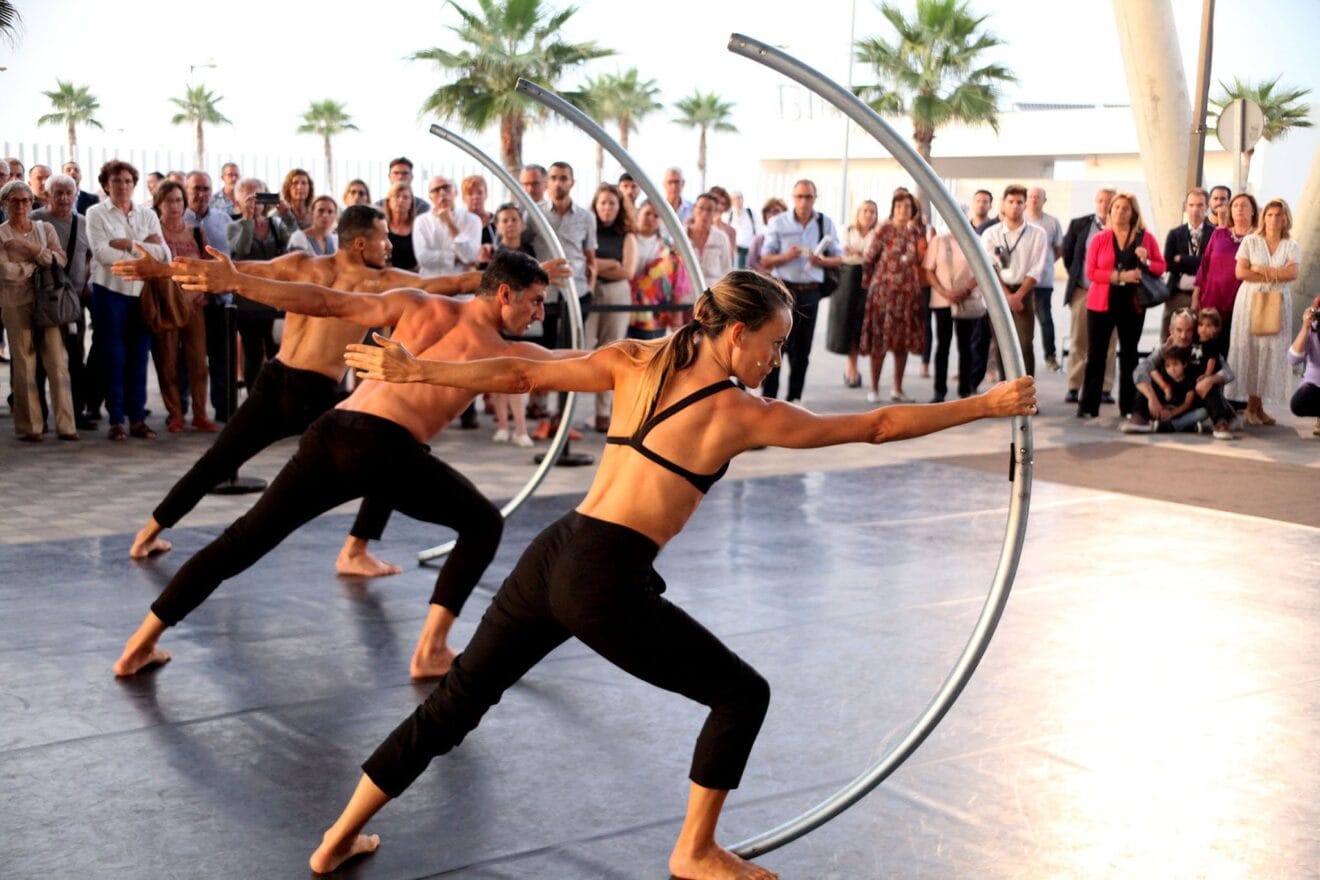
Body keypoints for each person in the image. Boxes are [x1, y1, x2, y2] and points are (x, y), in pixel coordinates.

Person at [317, 270, 1038, 877]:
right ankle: (694, 850)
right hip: (604, 576)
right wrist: (985, 404)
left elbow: (521, 370)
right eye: (773, 343)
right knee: (741, 695)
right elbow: (875, 426)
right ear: (735, 334)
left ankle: (335, 838)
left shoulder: (635, 360)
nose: (774, 358)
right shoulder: (738, 413)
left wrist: (422, 369)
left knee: (457, 702)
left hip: (556, 551)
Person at [111, 251, 569, 686]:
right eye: (535, 301)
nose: (539, 314)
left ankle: (138, 644)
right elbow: (576, 365)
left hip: (333, 430)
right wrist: (636, 357)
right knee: (483, 523)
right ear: (505, 294)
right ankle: (431, 649)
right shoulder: (497, 350)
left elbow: (328, 302)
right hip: (383, 448)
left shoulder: (417, 303)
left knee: (240, 542)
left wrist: (238, 282)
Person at [113, 205, 559, 572]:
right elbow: (230, 272)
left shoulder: (304, 266)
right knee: (232, 460)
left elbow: (230, 272)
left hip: (304, 390)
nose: (390, 246)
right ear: (362, 243)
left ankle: (150, 534)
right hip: (289, 388)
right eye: (385, 239)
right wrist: (160, 268)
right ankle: (153, 532)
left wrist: (161, 269)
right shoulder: (360, 277)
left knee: (388, 451)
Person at [87, 159, 170, 440]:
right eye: (116, 181)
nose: (122, 186)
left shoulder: (148, 215)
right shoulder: (95, 213)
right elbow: (101, 254)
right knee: (114, 356)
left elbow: (165, 255)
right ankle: (117, 420)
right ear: (106, 185)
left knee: (138, 356)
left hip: (141, 295)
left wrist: (130, 244)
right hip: (109, 293)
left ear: (134, 184)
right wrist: (144, 251)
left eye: (127, 181)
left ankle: (137, 418)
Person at [1077, 191, 1166, 419]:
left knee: (1129, 355)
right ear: (1110, 211)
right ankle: (1088, 406)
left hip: (1133, 305)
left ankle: (1129, 407)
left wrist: (1146, 260)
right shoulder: (1100, 239)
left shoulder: (1145, 238)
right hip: (1101, 304)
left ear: (1133, 212)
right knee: (1096, 355)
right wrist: (1121, 276)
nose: (1120, 212)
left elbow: (1160, 267)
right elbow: (1091, 273)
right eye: (1116, 208)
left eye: (1125, 208)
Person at [0, 180, 76, 441]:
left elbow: (60, 260)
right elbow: (5, 272)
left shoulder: (45, 229)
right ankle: (31, 426)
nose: (20, 205)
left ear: (32, 202)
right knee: (24, 364)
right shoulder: (1, 234)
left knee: (57, 363)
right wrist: (37, 265)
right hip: (15, 303)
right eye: (14, 200)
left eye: (25, 200)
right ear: (4, 204)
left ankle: (67, 426)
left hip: (48, 302)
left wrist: (31, 249)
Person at [759, 179, 843, 402]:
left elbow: (839, 257)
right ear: (793, 198)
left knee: (802, 349)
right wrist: (786, 256)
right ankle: (769, 397)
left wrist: (822, 261)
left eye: (808, 197)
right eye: (799, 196)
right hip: (782, 291)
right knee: (775, 344)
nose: (804, 201)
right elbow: (765, 258)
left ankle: (794, 397)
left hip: (810, 291)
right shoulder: (778, 222)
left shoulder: (825, 223)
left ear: (815, 198)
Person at [1227, 197, 1300, 427]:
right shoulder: (1251, 241)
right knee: (1251, 350)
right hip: (1250, 300)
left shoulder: (1291, 245)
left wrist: (1260, 269)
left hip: (1277, 301)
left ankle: (1258, 407)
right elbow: (1241, 272)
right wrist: (1275, 272)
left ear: (1285, 218)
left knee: (1271, 352)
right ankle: (1251, 406)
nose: (1274, 219)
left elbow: (1293, 274)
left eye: (1279, 215)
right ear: (1263, 217)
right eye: (1270, 215)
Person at [148, 180, 214, 433]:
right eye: (168, 201)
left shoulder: (196, 232)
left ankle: (200, 414)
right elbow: (154, 271)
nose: (174, 206)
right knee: (168, 362)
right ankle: (175, 414)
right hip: (166, 307)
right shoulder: (154, 235)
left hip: (195, 305)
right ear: (158, 204)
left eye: (178, 200)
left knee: (198, 362)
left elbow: (208, 267)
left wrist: (195, 294)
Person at [32, 174, 96, 431]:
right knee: (41, 360)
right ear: (47, 195)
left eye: (69, 192)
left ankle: (76, 412)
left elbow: (90, 256)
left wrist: (86, 282)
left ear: (76, 194)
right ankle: (42, 415)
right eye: (58, 192)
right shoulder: (36, 220)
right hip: (43, 302)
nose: (64, 198)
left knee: (75, 358)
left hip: (72, 303)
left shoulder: (83, 223)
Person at [1127, 307, 1236, 439]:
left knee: (1207, 385)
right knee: (1146, 379)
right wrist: (1152, 398)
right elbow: (1141, 370)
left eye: (1188, 331)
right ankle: (1139, 416)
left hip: (1194, 399)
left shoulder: (1204, 347)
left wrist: (1210, 379)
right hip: (1170, 397)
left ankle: (1220, 422)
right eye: (1179, 330)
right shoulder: (1165, 349)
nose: (1183, 336)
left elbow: (1228, 373)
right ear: (1171, 331)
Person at [860, 190, 925, 403]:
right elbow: (869, 259)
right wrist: (872, 285)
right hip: (883, 295)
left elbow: (920, 260)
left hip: (907, 296)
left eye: (906, 207)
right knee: (879, 342)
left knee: (901, 344)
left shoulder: (915, 232)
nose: (902, 211)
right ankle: (874, 388)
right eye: (898, 207)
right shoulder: (885, 230)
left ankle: (897, 388)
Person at [978, 184, 1047, 379]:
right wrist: (1006, 295)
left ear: (1025, 205)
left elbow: (1037, 268)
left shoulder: (1037, 233)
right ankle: (1005, 389)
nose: (1015, 206)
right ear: (1003, 204)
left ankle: (1027, 393)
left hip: (1024, 291)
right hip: (998, 291)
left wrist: (1018, 296)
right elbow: (988, 267)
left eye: (1019, 202)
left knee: (1025, 343)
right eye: (1011, 202)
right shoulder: (991, 234)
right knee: (1001, 343)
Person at [586, 182, 638, 431]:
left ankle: (603, 412)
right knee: (583, 348)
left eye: (612, 203)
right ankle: (562, 411)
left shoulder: (627, 235)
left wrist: (596, 263)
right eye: (603, 202)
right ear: (596, 205)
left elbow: (627, 270)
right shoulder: (588, 229)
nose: (607, 208)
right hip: (591, 291)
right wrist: (610, 263)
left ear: (620, 207)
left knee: (611, 350)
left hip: (616, 293)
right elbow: (582, 261)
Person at [228, 177, 289, 386]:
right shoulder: (234, 226)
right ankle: (253, 396)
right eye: (249, 197)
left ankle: (276, 398)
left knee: (277, 352)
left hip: (275, 300)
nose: (255, 202)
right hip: (248, 301)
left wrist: (286, 214)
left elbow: (295, 244)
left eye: (259, 196)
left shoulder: (275, 225)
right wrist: (247, 219)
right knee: (253, 353)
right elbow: (242, 250)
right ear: (238, 201)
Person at [1061, 187, 1119, 404]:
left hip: (1112, 294)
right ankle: (1074, 386)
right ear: (1096, 202)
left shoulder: (1123, 227)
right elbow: (1069, 256)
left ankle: (1105, 388)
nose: (1105, 205)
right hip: (1083, 291)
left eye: (1110, 201)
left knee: (1110, 343)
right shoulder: (1080, 224)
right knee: (1079, 339)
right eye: (1101, 200)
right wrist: (1081, 279)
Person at [489, 203, 537, 447]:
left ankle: (521, 428)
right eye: (504, 220)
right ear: (497, 226)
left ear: (522, 224)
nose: (510, 224)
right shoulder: (493, 255)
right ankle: (502, 425)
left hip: (523, 320)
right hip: (500, 319)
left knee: (520, 372)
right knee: (499, 373)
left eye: (514, 219)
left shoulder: (530, 252)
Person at [1193, 192, 1258, 356]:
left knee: (1234, 354)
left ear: (1253, 211)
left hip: (1241, 304)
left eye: (1244, 205)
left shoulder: (1258, 238)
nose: (1239, 209)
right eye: (1235, 205)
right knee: (1209, 353)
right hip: (1211, 303)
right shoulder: (1219, 233)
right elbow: (1204, 266)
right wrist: (1195, 298)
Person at [829, 199, 878, 389]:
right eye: (865, 210)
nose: (868, 215)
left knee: (862, 324)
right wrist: (860, 254)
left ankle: (855, 367)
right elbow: (842, 252)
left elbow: (872, 256)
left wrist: (859, 253)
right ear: (858, 212)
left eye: (872, 211)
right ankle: (850, 367)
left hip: (868, 280)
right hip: (847, 280)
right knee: (846, 324)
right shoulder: (846, 229)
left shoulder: (877, 233)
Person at [629, 199, 692, 341]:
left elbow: (677, 290)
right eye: (647, 213)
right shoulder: (625, 241)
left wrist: (677, 324)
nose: (651, 218)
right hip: (622, 314)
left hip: (654, 320)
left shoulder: (669, 251)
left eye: (656, 216)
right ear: (638, 214)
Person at [1161, 188, 1213, 339]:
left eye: (1199, 205)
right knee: (1169, 336)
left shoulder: (1214, 233)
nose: (1195, 209)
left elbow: (1211, 264)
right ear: (1186, 206)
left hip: (1204, 295)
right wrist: (1199, 262)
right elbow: (1169, 264)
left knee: (1199, 337)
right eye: (1191, 205)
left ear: (1207, 207)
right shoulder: (1175, 233)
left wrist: (1183, 259)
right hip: (1177, 293)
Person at [1025, 186, 1063, 372]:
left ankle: (1050, 357)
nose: (1033, 200)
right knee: (1020, 323)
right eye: (1030, 197)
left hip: (1043, 281)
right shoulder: (1020, 220)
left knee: (1045, 319)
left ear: (1044, 200)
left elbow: (1058, 250)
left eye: (1037, 197)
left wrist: (1044, 264)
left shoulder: (1052, 222)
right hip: (1020, 281)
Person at [413, 175, 480, 276]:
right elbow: (423, 257)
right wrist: (454, 257)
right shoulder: (421, 221)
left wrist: (450, 224)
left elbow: (470, 256)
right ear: (430, 197)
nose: (442, 193)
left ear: (455, 192)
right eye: (435, 190)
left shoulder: (472, 220)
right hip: (430, 283)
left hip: (461, 286)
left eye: (446, 187)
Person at [1130, 345, 1204, 433]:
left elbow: (1187, 404)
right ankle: (1187, 426)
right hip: (1164, 410)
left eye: (1175, 364)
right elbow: (1152, 371)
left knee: (1202, 412)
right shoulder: (1165, 376)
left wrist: (1171, 413)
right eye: (1168, 366)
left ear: (1184, 364)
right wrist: (1165, 387)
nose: (1172, 369)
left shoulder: (1190, 379)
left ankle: (1171, 425)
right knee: (1145, 391)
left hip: (1181, 411)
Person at [1287, 303, 1320, 436]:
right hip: (1317, 384)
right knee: (1298, 403)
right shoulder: (1314, 329)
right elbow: (1293, 359)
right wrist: (1305, 327)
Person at [687, 191, 734, 284]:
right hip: (684, 293)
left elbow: (727, 270)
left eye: (709, 210)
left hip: (712, 293)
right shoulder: (682, 234)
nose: (704, 213)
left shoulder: (721, 237)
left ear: (715, 212)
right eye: (701, 208)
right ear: (694, 209)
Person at [383, 180, 419, 272]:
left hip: (415, 276)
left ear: (411, 202)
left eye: (405, 197)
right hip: (388, 276)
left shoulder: (418, 226)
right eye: (396, 196)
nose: (400, 200)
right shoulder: (382, 226)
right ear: (388, 201)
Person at [746, 197, 786, 274]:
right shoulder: (758, 239)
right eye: (768, 212)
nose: (771, 215)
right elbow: (751, 264)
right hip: (763, 281)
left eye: (776, 211)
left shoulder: (790, 238)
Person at [273, 168, 315, 234]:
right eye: (295, 183)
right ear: (287, 188)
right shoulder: (277, 215)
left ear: (310, 188)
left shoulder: (316, 214)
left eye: (304, 183)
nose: (300, 187)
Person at [728, 189, 758, 268]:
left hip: (749, 251)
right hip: (735, 252)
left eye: (739, 198)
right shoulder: (728, 215)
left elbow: (759, 230)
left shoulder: (751, 213)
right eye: (734, 199)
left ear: (743, 199)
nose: (737, 200)